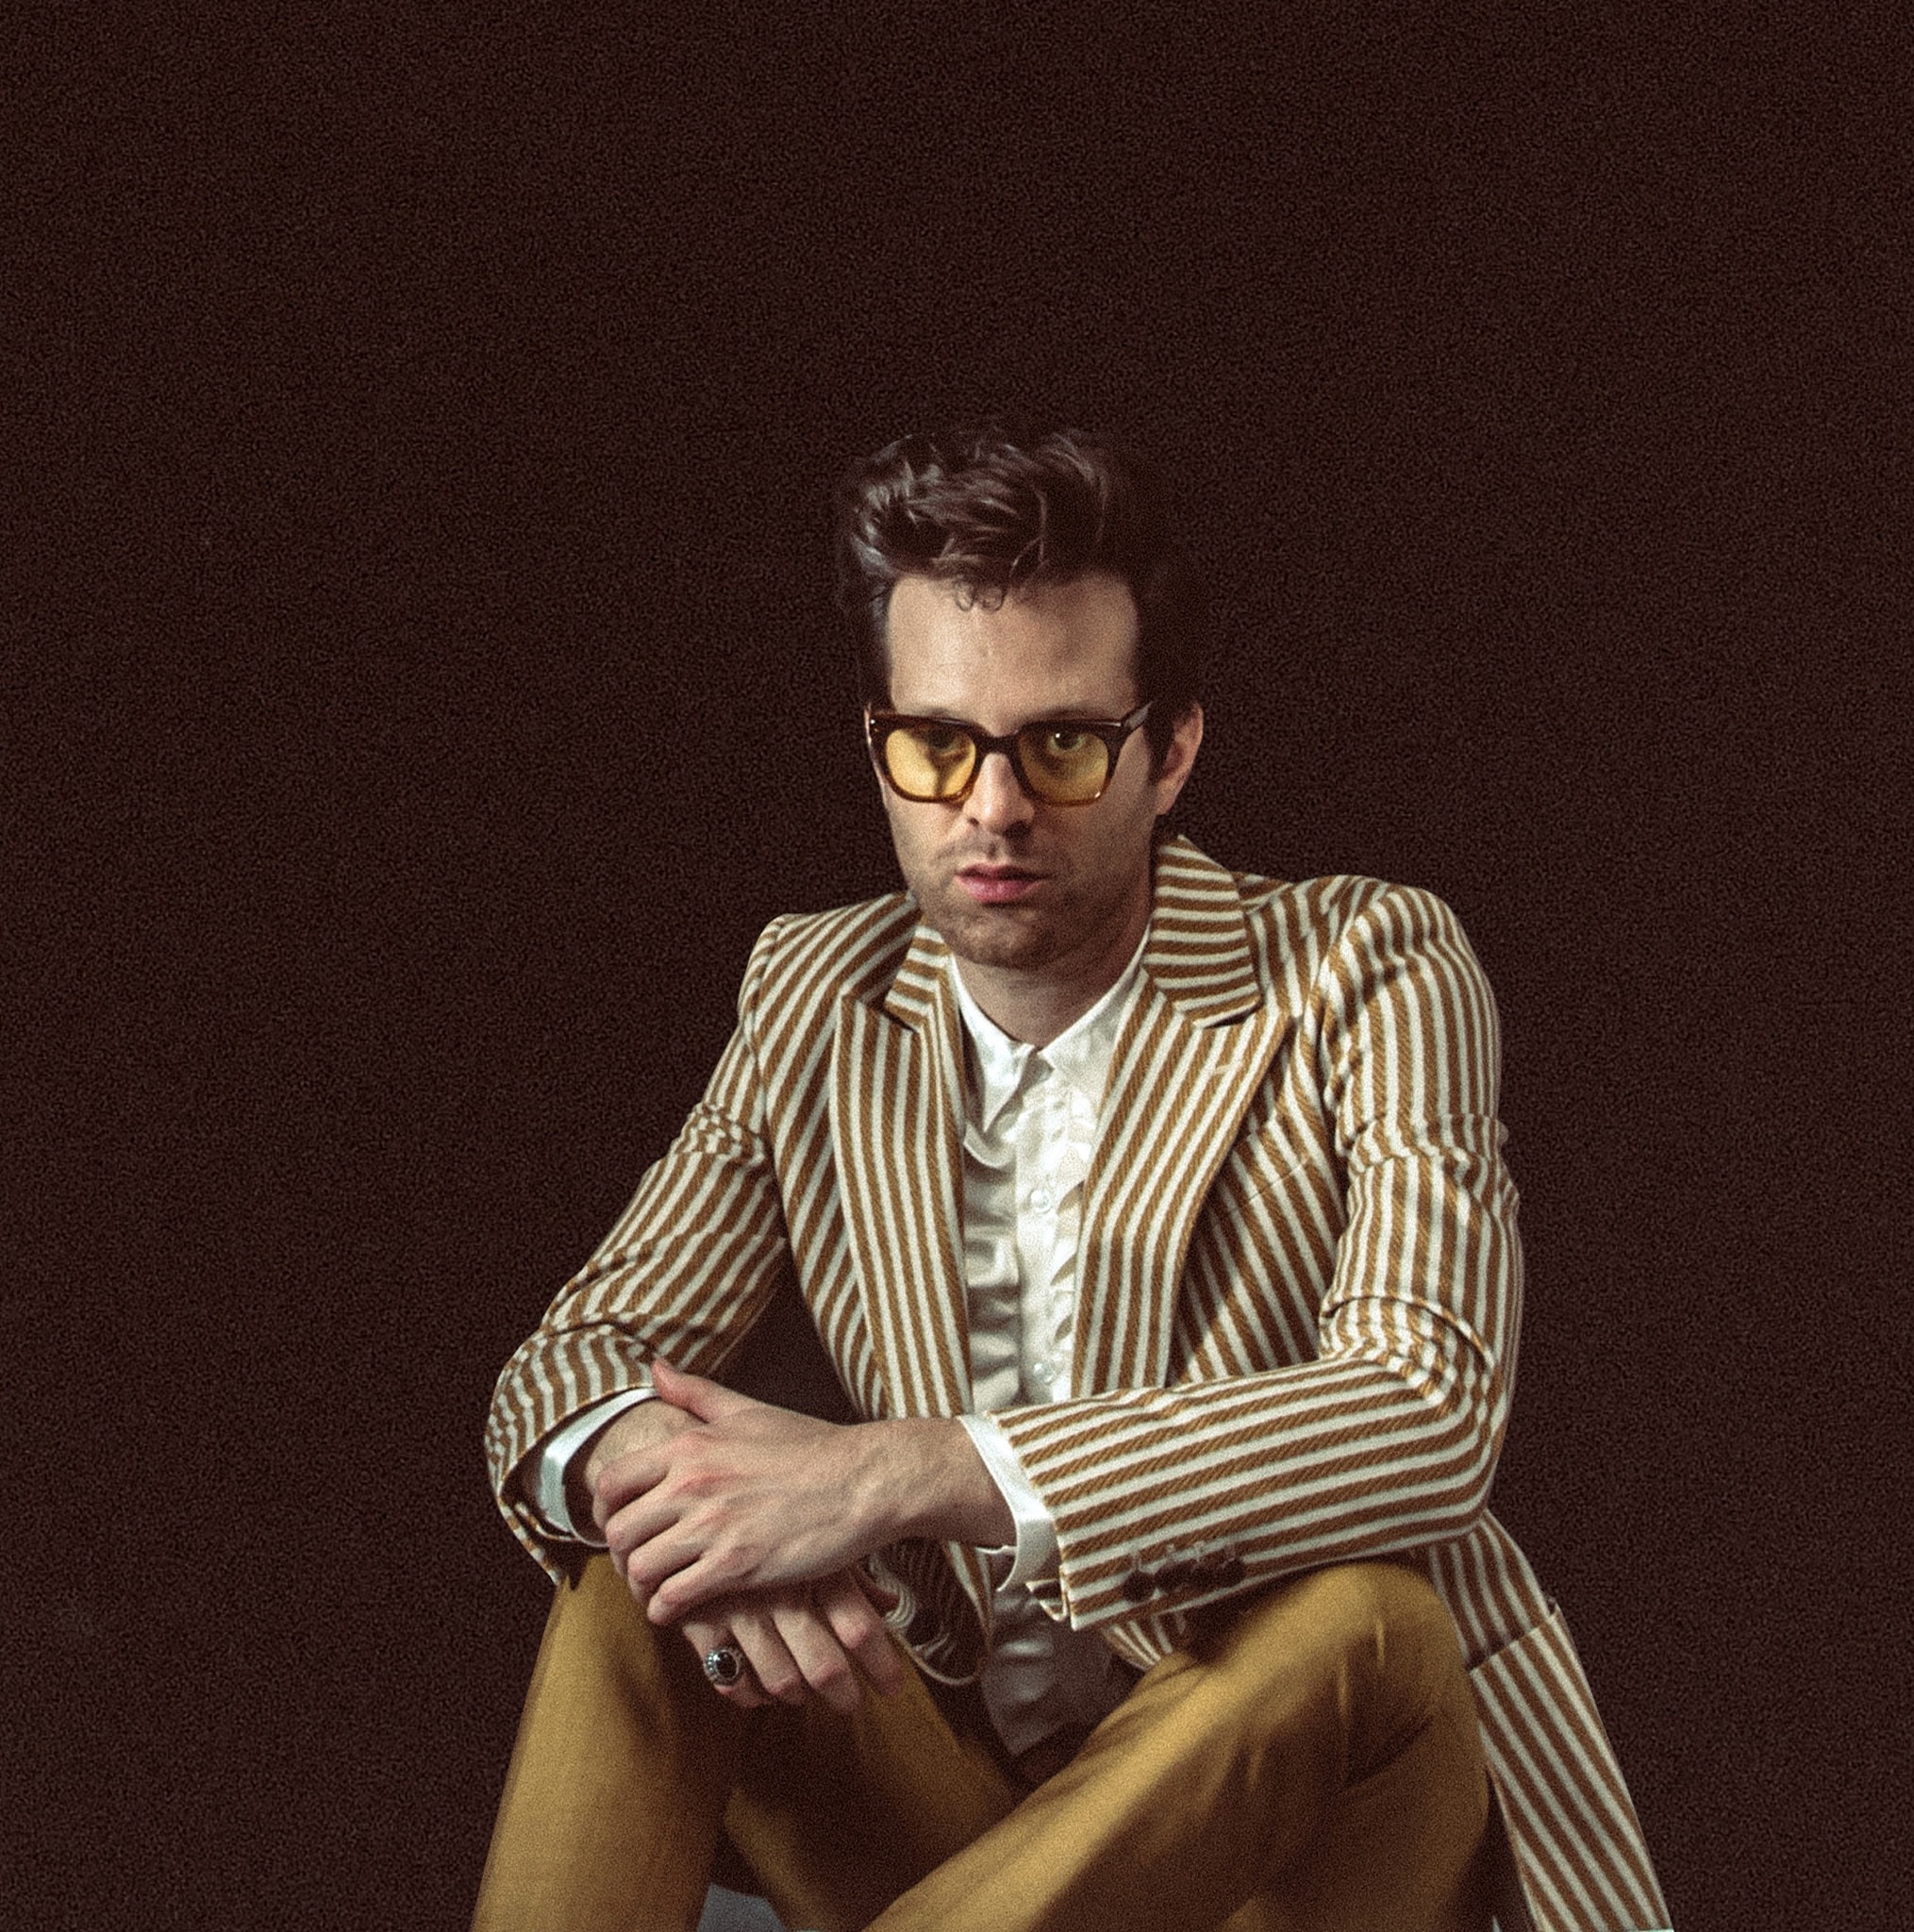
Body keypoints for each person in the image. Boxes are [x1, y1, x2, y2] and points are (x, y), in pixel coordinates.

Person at [475, 422, 1671, 1932]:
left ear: (1170, 753)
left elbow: (1425, 1411)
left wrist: (898, 1472)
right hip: (977, 1821)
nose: (991, 807)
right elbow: (571, 1360)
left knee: (1366, 1617)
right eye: (937, 745)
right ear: (878, 746)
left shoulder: (1370, 966)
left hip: (1304, 1835)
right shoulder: (816, 995)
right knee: (650, 1578)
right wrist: (684, 1491)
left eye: (1061, 746)